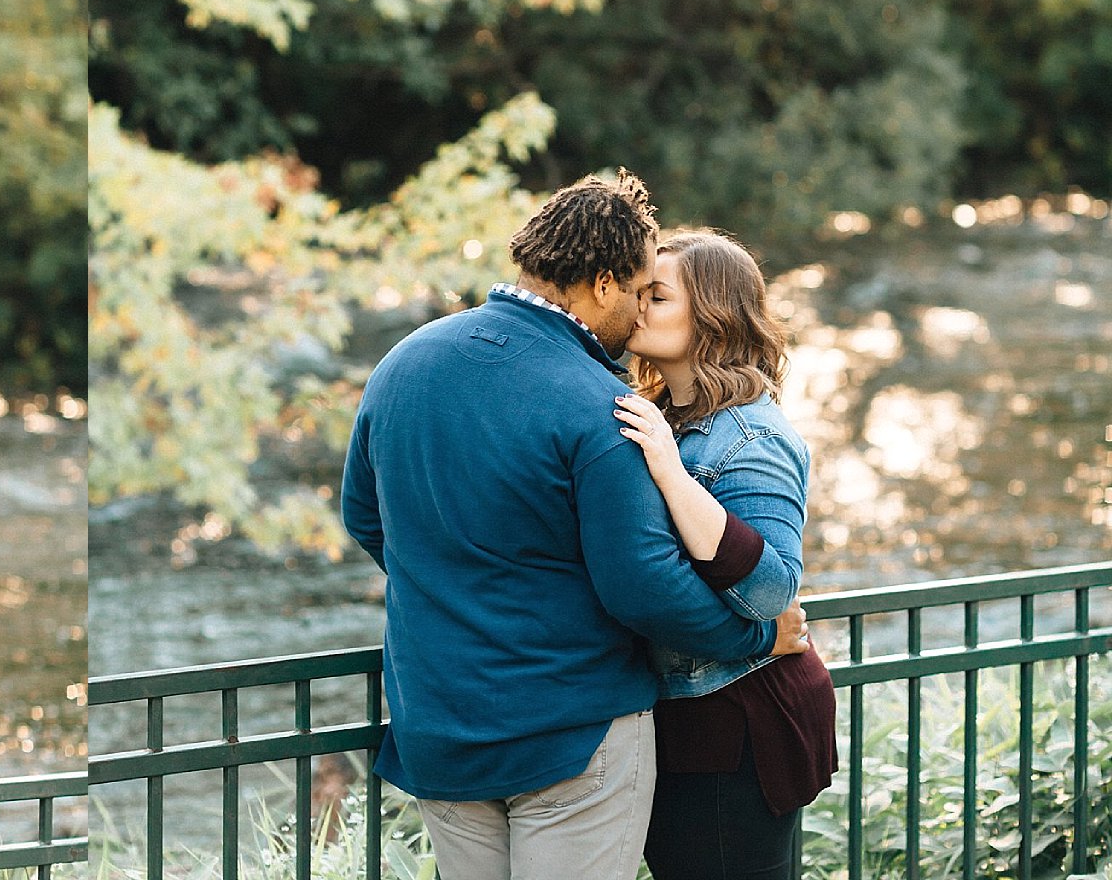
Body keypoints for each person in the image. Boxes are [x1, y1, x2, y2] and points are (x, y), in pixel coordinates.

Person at [340, 172, 808, 880]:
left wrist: (459, 588)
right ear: (600, 285)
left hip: (437, 717)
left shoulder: (404, 361)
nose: (638, 313)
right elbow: (643, 587)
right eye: (638, 291)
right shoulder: (600, 401)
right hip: (570, 730)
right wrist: (756, 635)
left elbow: (365, 517)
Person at [613, 230, 838, 880]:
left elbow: (772, 591)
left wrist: (670, 473)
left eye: (656, 294)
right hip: (683, 719)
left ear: (711, 313)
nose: (637, 305)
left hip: (739, 727)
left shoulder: (752, 436)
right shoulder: (661, 414)